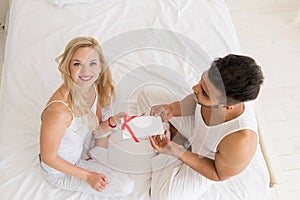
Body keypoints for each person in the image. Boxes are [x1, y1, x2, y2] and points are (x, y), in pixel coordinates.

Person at [137, 54, 270, 199]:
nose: (195, 88)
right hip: (195, 127)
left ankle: (174, 141)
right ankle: (173, 138)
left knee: (164, 197)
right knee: (147, 94)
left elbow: (217, 173)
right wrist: (172, 109)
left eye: (205, 92)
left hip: (205, 157)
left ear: (227, 106)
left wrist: (177, 151)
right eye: (201, 81)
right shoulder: (210, 91)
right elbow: (194, 100)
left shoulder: (240, 141)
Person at [39, 36, 134, 197]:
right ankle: (93, 158)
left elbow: (95, 128)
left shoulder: (93, 88)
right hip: (62, 171)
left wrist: (113, 122)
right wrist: (88, 175)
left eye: (92, 63)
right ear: (67, 67)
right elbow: (48, 158)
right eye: (77, 64)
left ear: (100, 66)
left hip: (82, 143)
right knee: (125, 187)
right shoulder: (59, 112)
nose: (86, 72)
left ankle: (94, 154)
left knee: (109, 103)